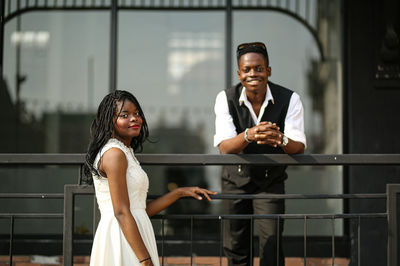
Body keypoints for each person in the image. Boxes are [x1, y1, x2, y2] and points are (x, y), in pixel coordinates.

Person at [84, 90, 216, 266]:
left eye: (137, 113)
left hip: (135, 233)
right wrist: (145, 260)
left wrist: (178, 193)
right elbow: (121, 212)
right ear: (110, 122)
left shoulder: (125, 152)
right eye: (125, 115)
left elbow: (140, 210)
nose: (134, 118)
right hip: (121, 237)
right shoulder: (114, 154)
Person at [214, 42, 306, 266]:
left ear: (268, 70)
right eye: (246, 70)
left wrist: (280, 138)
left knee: (271, 246)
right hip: (234, 181)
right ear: (239, 73)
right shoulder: (225, 98)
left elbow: (299, 146)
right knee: (235, 247)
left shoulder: (290, 99)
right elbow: (225, 147)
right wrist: (249, 135)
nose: (253, 73)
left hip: (270, 181)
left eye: (258, 68)